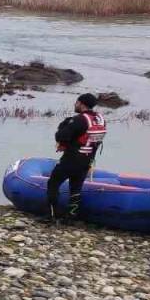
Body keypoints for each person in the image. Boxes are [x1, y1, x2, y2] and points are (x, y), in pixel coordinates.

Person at [46, 93, 106, 221]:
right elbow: (91, 138)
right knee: (76, 188)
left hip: (71, 160)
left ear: (81, 104)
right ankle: (71, 216)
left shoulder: (80, 119)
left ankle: (53, 216)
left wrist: (64, 124)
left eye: (76, 102)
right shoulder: (101, 119)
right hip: (87, 161)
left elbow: (62, 136)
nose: (75, 104)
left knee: (53, 183)